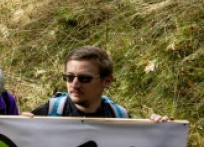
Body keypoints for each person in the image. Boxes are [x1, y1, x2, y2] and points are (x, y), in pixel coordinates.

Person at [29, 46, 172, 121]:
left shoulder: (119, 116)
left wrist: (158, 130)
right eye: (69, 77)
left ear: (107, 81)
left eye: (84, 78)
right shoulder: (49, 112)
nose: (75, 85)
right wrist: (19, 125)